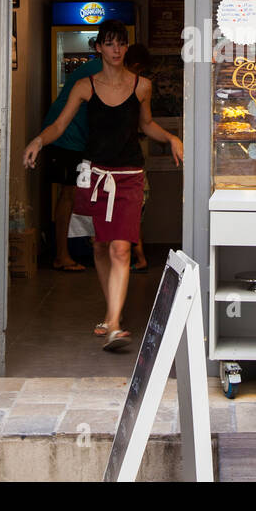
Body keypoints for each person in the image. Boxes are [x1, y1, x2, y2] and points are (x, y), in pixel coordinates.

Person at [24, 20, 183, 352]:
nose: (116, 50)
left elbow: (147, 124)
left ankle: (113, 322)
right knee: (99, 245)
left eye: (121, 44)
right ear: (98, 48)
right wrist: (38, 141)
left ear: (126, 47)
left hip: (128, 176)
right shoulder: (85, 86)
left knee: (121, 248)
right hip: (93, 174)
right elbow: (60, 124)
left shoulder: (142, 86)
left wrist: (171, 138)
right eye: (109, 44)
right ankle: (111, 313)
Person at [40, 54, 102, 272]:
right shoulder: (100, 70)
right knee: (68, 195)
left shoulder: (100, 68)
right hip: (67, 137)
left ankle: (69, 252)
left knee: (73, 194)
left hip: (73, 137)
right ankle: (61, 255)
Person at [122, 43, 153, 273]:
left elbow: (146, 123)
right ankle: (139, 257)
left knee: (131, 214)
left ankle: (139, 257)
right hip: (131, 165)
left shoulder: (138, 87)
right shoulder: (136, 87)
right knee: (134, 214)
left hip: (128, 166)